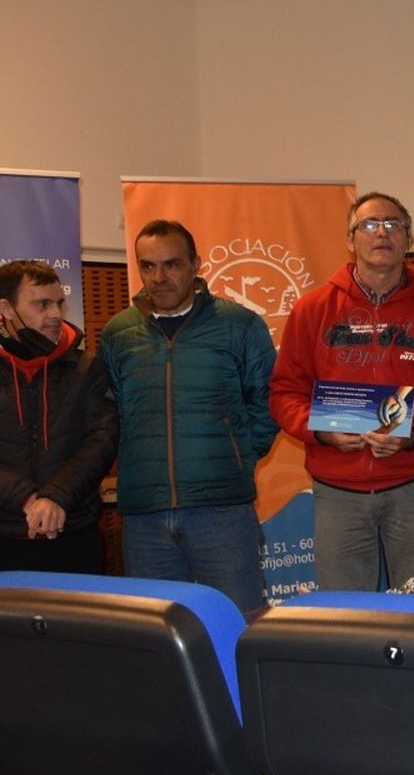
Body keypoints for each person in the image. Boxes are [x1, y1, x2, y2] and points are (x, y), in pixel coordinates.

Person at [269, 193, 414, 592]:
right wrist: (320, 432)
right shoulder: (312, 310)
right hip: (338, 492)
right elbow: (284, 391)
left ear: (408, 239)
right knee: (348, 619)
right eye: (370, 225)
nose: (382, 233)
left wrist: (413, 436)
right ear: (350, 239)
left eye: (393, 224)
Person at [100, 220, 277, 611]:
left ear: (196, 264)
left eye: (172, 264)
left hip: (222, 512)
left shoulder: (240, 325)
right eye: (147, 266)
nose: (159, 277)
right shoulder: (118, 334)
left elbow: (268, 402)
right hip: (145, 517)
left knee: (238, 626)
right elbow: (114, 416)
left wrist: (239, 457)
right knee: (158, 639)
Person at [0, 261, 117, 574]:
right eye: (42, 304)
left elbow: (102, 440)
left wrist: (55, 498)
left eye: (59, 303)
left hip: (74, 534)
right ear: (7, 309)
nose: (55, 314)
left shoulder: (87, 367)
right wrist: (26, 498)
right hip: (6, 534)